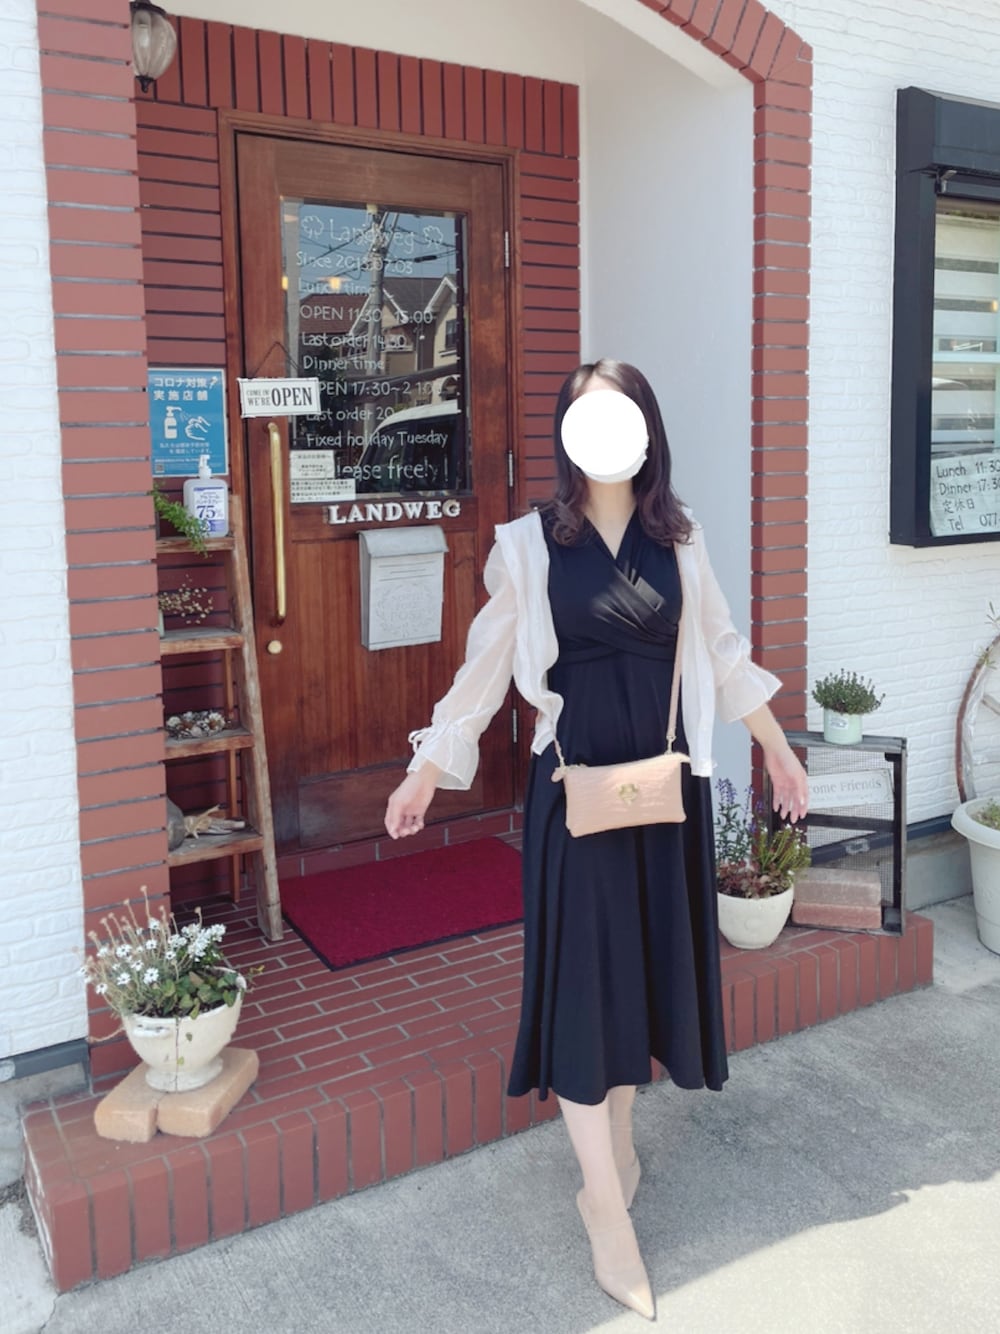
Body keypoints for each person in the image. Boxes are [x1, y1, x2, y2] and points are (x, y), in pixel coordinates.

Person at [384, 360, 809, 1322]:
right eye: (586, 417)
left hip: (662, 797)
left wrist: (779, 752)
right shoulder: (529, 546)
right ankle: (606, 1214)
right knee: (586, 994)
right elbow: (484, 669)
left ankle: (614, 1152)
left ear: (646, 431)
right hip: (572, 801)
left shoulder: (679, 539)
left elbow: (722, 654)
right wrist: (426, 769)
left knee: (639, 983)